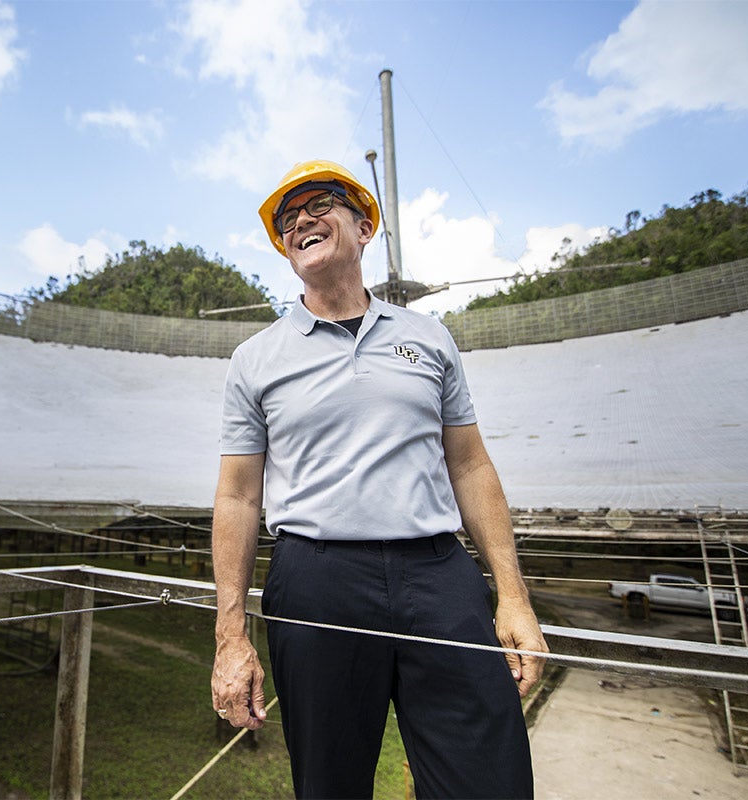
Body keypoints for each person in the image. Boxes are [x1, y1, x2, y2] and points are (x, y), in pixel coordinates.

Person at [209, 159, 549, 799]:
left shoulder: (429, 337)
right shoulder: (255, 359)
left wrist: (513, 595)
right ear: (286, 250)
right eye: (288, 219)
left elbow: (471, 465)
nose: (301, 220)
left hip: (438, 574)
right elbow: (237, 495)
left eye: (319, 204)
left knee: (489, 776)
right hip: (318, 581)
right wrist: (230, 634)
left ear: (364, 227)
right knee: (330, 782)